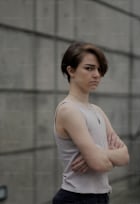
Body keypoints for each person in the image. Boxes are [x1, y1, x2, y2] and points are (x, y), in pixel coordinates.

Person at [52, 42, 129, 204]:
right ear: (71, 70)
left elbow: (125, 157)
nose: (97, 75)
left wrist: (97, 154)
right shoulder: (69, 110)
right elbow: (99, 164)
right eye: (89, 68)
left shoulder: (97, 111)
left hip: (100, 196)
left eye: (99, 69)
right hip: (76, 198)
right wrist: (99, 157)